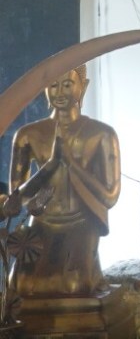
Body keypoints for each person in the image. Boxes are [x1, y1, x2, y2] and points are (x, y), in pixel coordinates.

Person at [9, 64, 120, 297]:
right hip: (41, 224)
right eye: (53, 85)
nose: (60, 92)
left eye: (68, 84)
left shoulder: (102, 134)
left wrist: (72, 164)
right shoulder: (28, 134)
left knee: (72, 288)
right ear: (44, 89)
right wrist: (48, 167)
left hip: (82, 222)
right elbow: (16, 198)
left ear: (83, 86)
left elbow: (110, 196)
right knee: (19, 288)